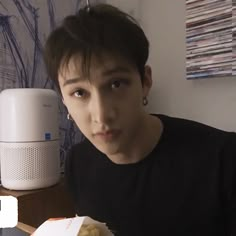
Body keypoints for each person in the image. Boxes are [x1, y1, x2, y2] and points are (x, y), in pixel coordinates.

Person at [43, 3, 236, 236]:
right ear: (64, 100)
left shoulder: (223, 158)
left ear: (145, 82)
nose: (101, 115)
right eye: (79, 93)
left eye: (116, 84)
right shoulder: (78, 163)